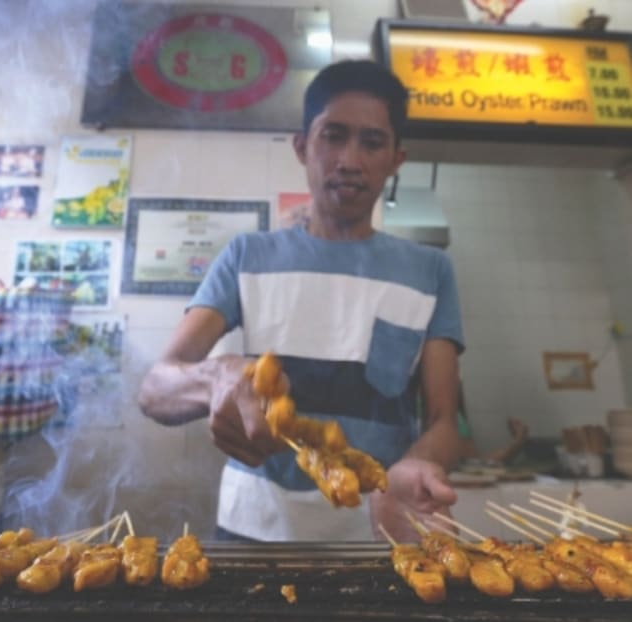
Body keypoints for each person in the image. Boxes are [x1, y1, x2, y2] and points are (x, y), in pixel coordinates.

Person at [138, 59, 464, 543]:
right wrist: (216, 376)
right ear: (301, 146)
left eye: (372, 142)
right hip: (252, 528)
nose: (350, 159)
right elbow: (154, 388)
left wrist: (420, 460)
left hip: (378, 531)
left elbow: (444, 419)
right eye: (333, 135)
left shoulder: (430, 271)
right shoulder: (247, 255)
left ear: (397, 158)